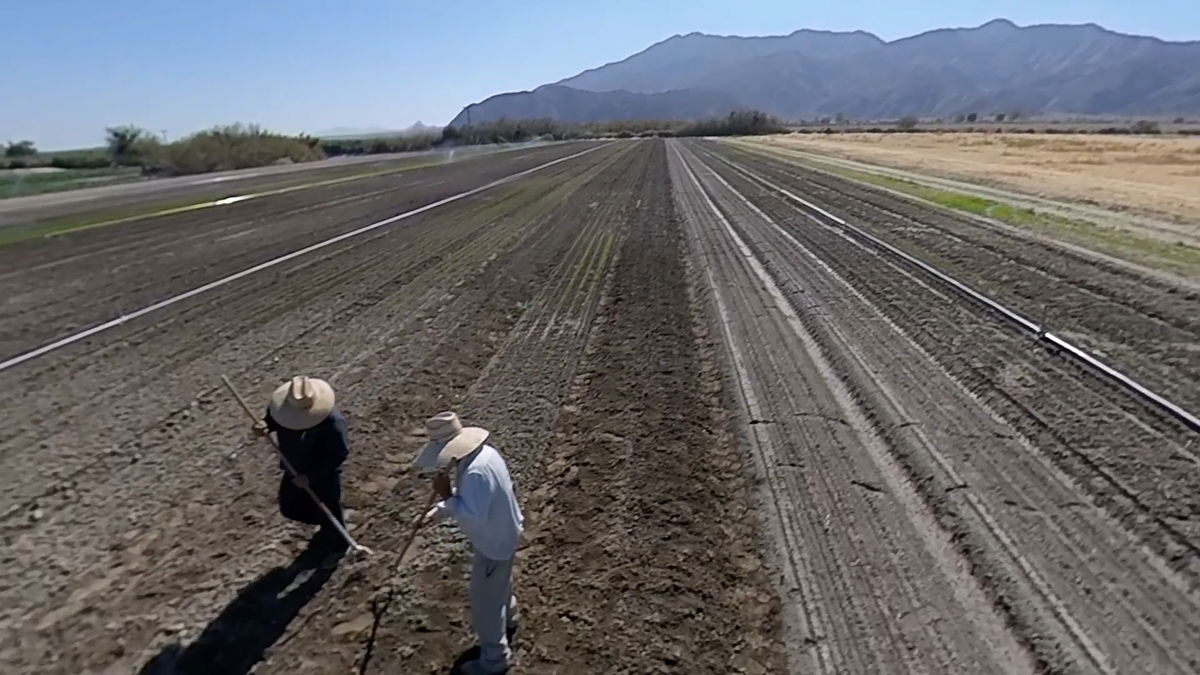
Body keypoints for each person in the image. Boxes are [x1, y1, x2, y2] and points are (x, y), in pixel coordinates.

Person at [416, 411, 523, 675]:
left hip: (493, 542)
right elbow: (472, 505)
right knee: (500, 581)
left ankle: (494, 660)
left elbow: (472, 516)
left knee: (485, 603)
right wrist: (438, 511)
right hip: (506, 532)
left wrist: (446, 494)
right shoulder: (486, 454)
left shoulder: (474, 473)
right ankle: (511, 615)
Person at [256, 375, 350, 566]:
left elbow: (338, 454)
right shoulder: (283, 409)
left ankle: (338, 545)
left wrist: (311, 476)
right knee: (290, 508)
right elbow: (272, 419)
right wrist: (264, 425)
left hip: (323, 475)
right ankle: (325, 527)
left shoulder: (332, 422)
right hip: (293, 468)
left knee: (329, 511)